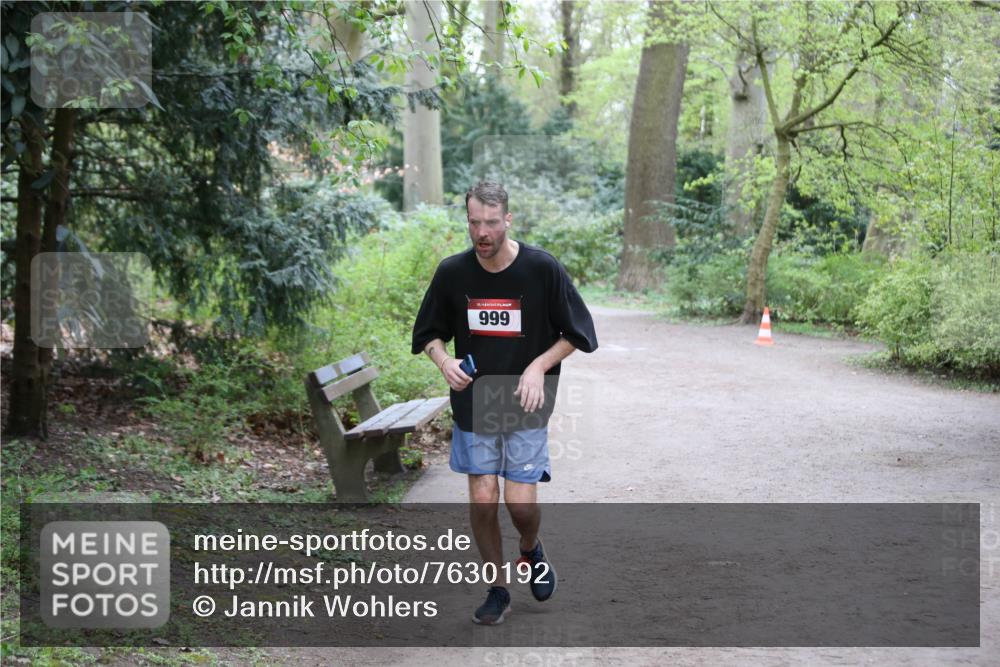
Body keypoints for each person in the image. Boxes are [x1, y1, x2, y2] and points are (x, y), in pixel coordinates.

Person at [411, 181, 598, 625]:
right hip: (475, 400)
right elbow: (428, 334)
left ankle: (530, 549)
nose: (482, 232)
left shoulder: (541, 269)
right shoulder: (452, 273)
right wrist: (444, 361)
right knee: (482, 496)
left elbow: (578, 333)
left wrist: (539, 366)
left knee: (520, 505)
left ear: (508, 220)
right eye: (474, 222)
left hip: (524, 401)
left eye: (492, 223)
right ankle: (497, 588)